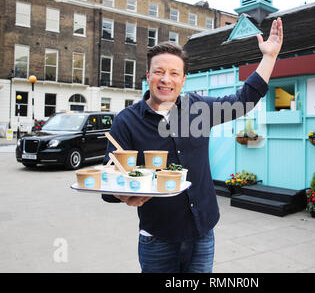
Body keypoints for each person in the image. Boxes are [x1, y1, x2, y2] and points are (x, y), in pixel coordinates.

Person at [101, 17, 284, 273]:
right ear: (148, 76)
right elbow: (109, 180)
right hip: (157, 238)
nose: (166, 79)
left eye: (174, 73)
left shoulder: (199, 109)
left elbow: (245, 100)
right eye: (159, 72)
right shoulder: (126, 121)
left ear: (183, 79)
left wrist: (269, 57)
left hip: (202, 234)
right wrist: (122, 193)